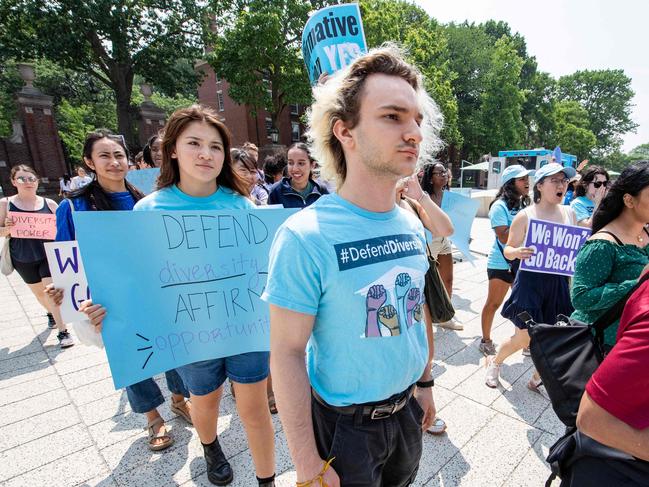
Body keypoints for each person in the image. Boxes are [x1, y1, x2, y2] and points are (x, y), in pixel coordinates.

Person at [264, 45, 443, 486]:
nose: (414, 133)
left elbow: (415, 310)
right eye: (392, 116)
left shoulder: (410, 224)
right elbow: (286, 353)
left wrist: (425, 385)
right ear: (345, 132)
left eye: (416, 119)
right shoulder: (306, 235)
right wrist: (305, 462)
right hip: (345, 430)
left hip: (407, 415)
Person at [81, 106, 276, 486]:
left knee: (255, 409)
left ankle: (266, 479)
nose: (206, 154)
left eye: (215, 146)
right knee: (205, 401)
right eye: (194, 144)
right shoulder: (148, 210)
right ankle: (210, 446)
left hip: (245, 326)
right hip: (189, 333)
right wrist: (104, 309)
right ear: (172, 150)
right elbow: (135, 282)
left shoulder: (242, 205)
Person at [51, 130, 192, 451]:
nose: (114, 163)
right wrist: (62, 293)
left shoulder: (147, 200)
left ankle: (179, 399)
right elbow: (64, 263)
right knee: (128, 355)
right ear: (89, 162)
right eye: (104, 156)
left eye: (119, 155)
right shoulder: (74, 207)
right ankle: (153, 418)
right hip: (107, 301)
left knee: (171, 346)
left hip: (154, 290)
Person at [485, 162, 577, 389]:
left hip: (557, 283)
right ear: (540, 186)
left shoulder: (570, 213)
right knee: (525, 337)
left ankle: (538, 377)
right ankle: (495, 363)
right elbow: (508, 247)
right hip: (530, 282)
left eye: (564, 181)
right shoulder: (526, 215)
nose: (561, 185)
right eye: (555, 180)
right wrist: (516, 252)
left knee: (554, 336)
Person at [569, 274, 649, 484]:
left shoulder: (643, 247)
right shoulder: (602, 244)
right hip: (598, 340)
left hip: (615, 349)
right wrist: (627, 285)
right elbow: (581, 297)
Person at [397, 175, 454, 436]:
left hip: (417, 290)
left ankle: (424, 402)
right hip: (388, 293)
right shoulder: (367, 205)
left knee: (425, 348)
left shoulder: (411, 203)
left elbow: (445, 229)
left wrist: (420, 195)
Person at [571, 161, 649, 348]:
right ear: (629, 200)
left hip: (635, 342)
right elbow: (581, 297)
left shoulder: (645, 233)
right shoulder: (602, 245)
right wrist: (637, 282)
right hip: (602, 346)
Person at [0, 165, 71, 347]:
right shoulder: (6, 204)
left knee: (50, 291)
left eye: (31, 178)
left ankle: (63, 332)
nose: (28, 182)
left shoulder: (49, 204)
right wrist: (7, 227)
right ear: (14, 182)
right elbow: (1, 232)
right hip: (23, 257)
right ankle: (51, 314)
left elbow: (62, 228)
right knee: (40, 295)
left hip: (47, 254)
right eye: (22, 179)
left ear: (37, 181)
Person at [479, 165, 532, 356]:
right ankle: (485, 340)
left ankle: (524, 341)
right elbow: (503, 237)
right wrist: (527, 226)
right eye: (521, 179)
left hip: (520, 263)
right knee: (493, 303)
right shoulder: (499, 206)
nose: (527, 182)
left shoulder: (525, 205)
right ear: (510, 184)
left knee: (523, 304)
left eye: (527, 178)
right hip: (501, 263)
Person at [420, 162, 462, 330]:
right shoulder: (423, 197)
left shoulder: (449, 195)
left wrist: (463, 235)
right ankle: (424, 316)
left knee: (448, 279)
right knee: (427, 282)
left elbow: (455, 221)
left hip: (445, 240)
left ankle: (446, 316)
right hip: (430, 242)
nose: (444, 174)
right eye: (439, 173)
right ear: (430, 178)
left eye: (445, 171)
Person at [267, 143, 329, 208]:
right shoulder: (276, 191)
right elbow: (271, 217)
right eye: (290, 163)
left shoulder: (321, 190)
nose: (295, 169)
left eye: (301, 163)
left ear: (312, 165)